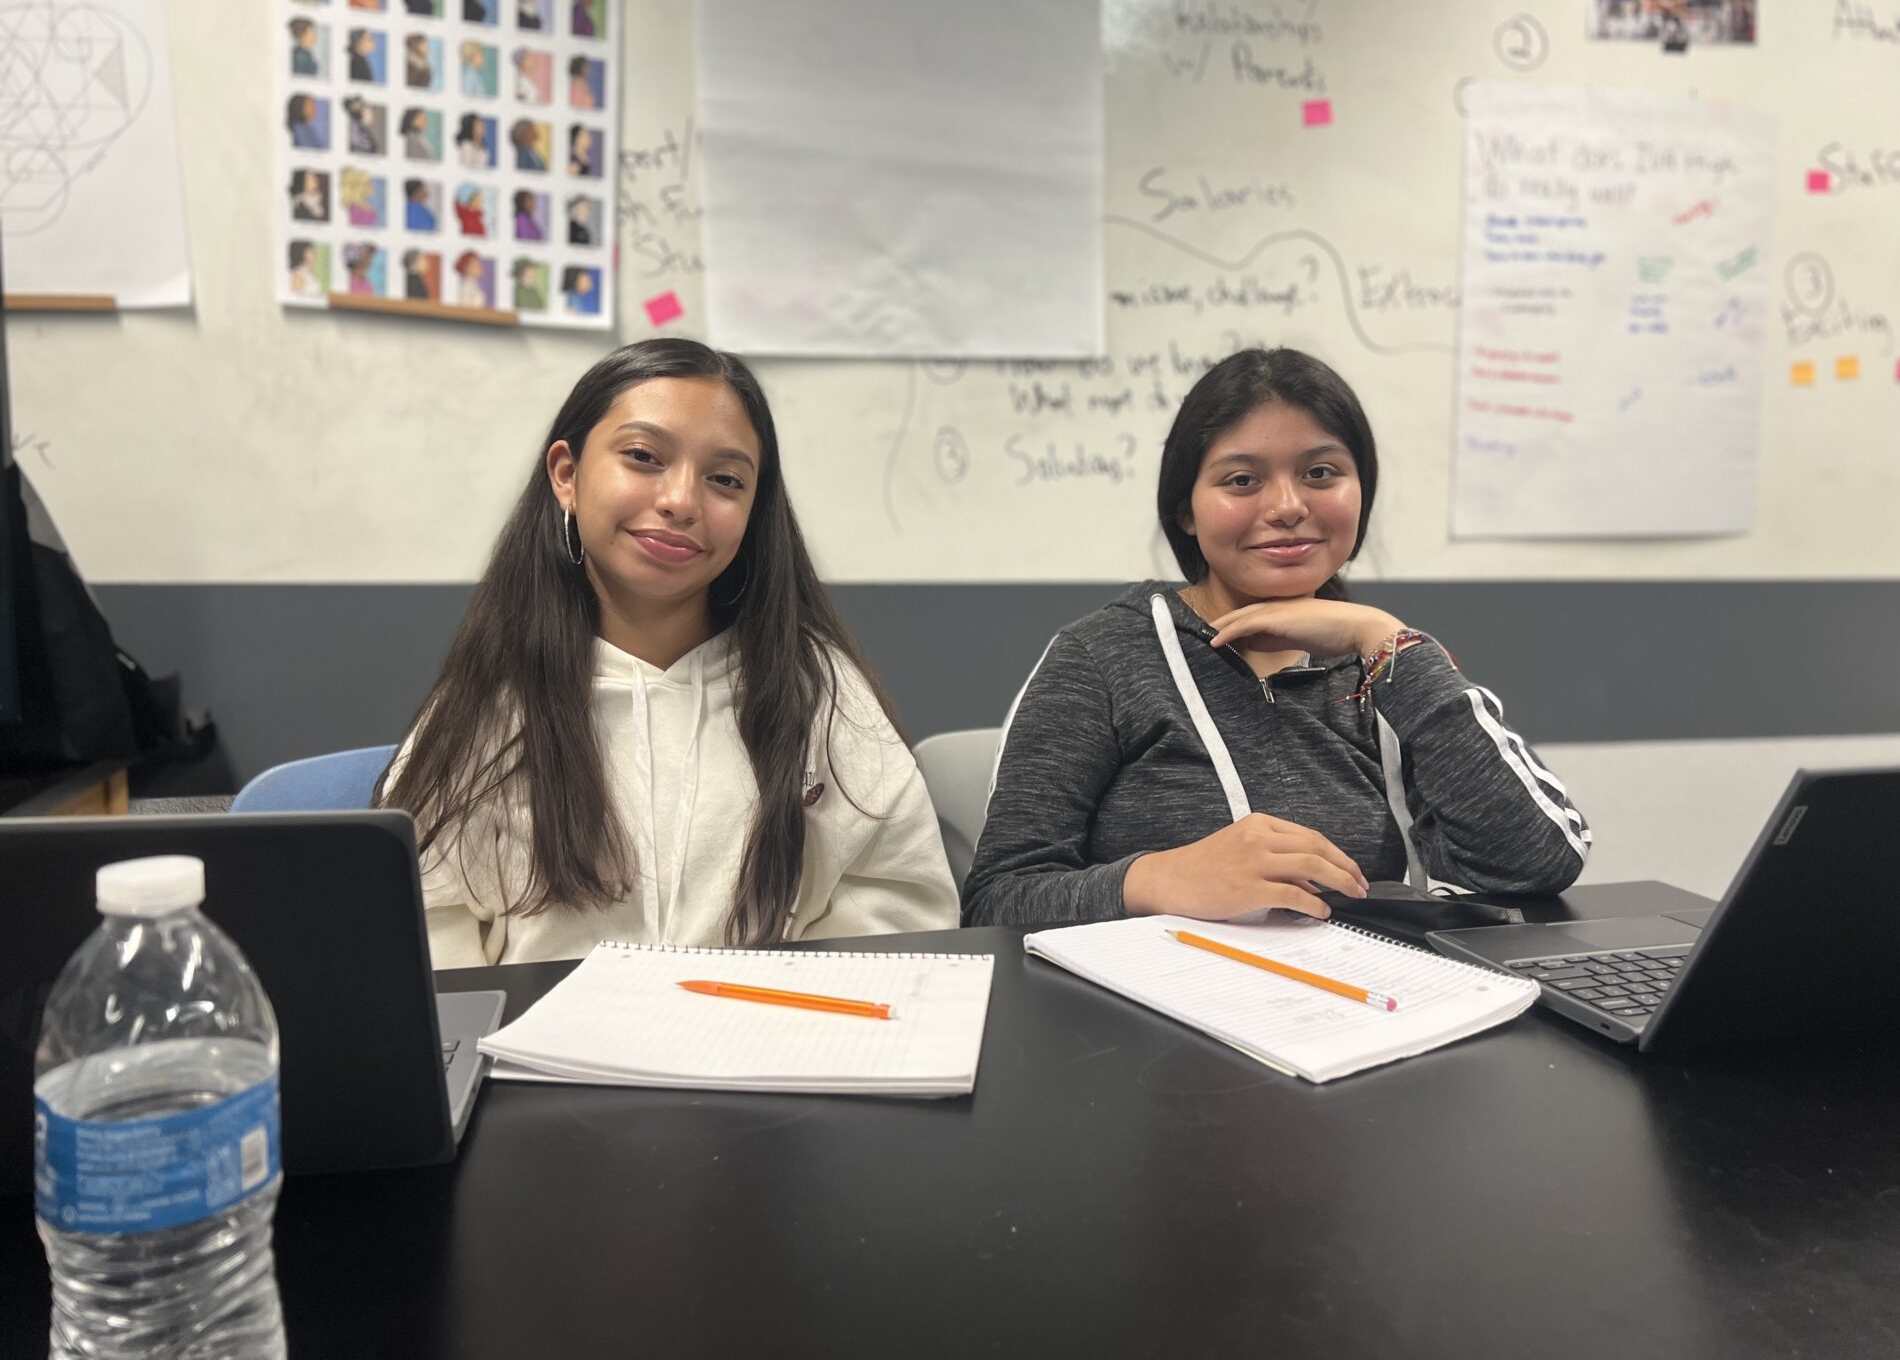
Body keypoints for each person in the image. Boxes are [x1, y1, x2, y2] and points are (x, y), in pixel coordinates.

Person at [376, 339, 959, 965]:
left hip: (767, 1024)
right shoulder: (492, 702)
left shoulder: (816, 691)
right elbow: (425, 927)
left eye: (725, 480)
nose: (681, 501)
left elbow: (898, 903)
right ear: (567, 475)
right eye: (643, 457)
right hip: (539, 1030)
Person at [964, 347, 1590, 928]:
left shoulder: (1387, 663)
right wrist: (1155, 879)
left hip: (1364, 996)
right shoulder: (1103, 657)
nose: (1288, 506)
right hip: (1156, 1004)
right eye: (1242, 480)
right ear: (1185, 510)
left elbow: (1535, 864)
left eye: (1321, 472)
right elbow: (997, 900)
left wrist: (1382, 639)